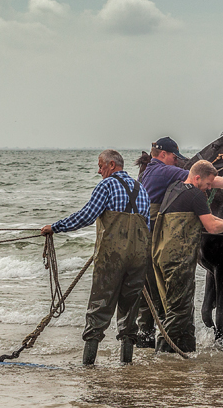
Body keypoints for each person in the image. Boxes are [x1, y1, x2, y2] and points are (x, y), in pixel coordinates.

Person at [135, 137, 223, 348]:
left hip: (152, 245)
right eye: (174, 157)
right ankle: (163, 353)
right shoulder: (168, 174)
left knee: (158, 299)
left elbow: (202, 183)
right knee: (177, 307)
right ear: (163, 155)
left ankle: (149, 343)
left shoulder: (151, 174)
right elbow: (203, 184)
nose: (176, 161)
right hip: (161, 243)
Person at [41, 150, 150, 366]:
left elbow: (87, 215)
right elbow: (147, 226)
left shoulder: (106, 185)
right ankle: (126, 365)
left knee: (99, 309)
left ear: (111, 165)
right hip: (139, 258)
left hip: (112, 257)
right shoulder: (142, 188)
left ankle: (88, 366)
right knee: (130, 313)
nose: (98, 170)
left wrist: (55, 227)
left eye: (100, 166)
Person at [150, 160, 223, 354]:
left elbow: (207, 219)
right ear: (197, 178)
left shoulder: (175, 188)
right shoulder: (196, 194)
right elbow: (211, 226)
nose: (210, 188)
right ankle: (159, 360)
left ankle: (187, 355)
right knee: (179, 313)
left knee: (183, 312)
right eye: (209, 184)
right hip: (179, 261)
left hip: (161, 257)